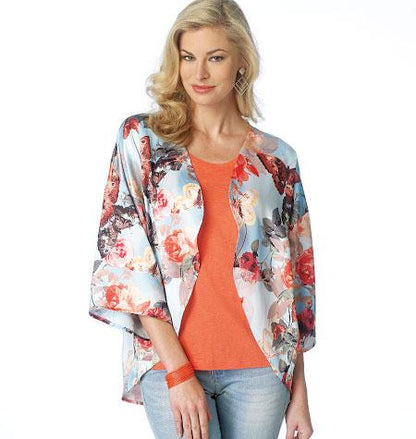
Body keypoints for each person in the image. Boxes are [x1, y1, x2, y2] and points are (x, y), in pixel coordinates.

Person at [89, 1, 316, 438]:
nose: (199, 73)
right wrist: (177, 372)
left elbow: (294, 282)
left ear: (241, 61)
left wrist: (300, 393)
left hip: (262, 370)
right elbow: (129, 262)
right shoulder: (142, 141)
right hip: (171, 363)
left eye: (216, 58)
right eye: (188, 57)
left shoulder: (276, 159)